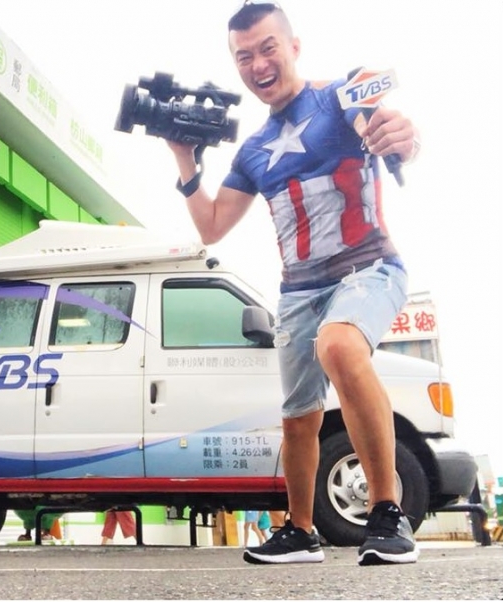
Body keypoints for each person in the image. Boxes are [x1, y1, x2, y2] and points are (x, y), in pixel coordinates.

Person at [166, 1, 420, 566]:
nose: (258, 64)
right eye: (244, 56)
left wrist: (404, 137)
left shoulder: (340, 96)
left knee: (339, 345)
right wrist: (185, 161)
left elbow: (385, 128)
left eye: (268, 48)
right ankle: (301, 532)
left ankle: (387, 512)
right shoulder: (253, 151)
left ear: (294, 47)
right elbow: (212, 226)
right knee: (298, 415)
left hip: (367, 267)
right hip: (298, 290)